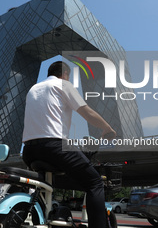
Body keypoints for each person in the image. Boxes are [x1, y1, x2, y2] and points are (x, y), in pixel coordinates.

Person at [22, 61, 116, 228]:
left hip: (28, 150)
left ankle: (48, 218)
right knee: (94, 182)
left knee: (46, 186)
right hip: (53, 146)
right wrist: (107, 128)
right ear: (65, 74)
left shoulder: (33, 89)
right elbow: (87, 112)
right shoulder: (63, 84)